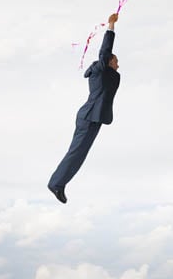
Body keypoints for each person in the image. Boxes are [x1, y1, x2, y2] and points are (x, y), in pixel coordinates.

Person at [48, 13, 121, 204]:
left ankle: (60, 183)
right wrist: (111, 26)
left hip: (95, 118)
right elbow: (105, 51)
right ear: (108, 61)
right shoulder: (100, 68)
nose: (118, 64)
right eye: (116, 60)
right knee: (76, 152)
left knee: (80, 154)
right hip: (89, 116)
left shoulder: (107, 73)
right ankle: (56, 183)